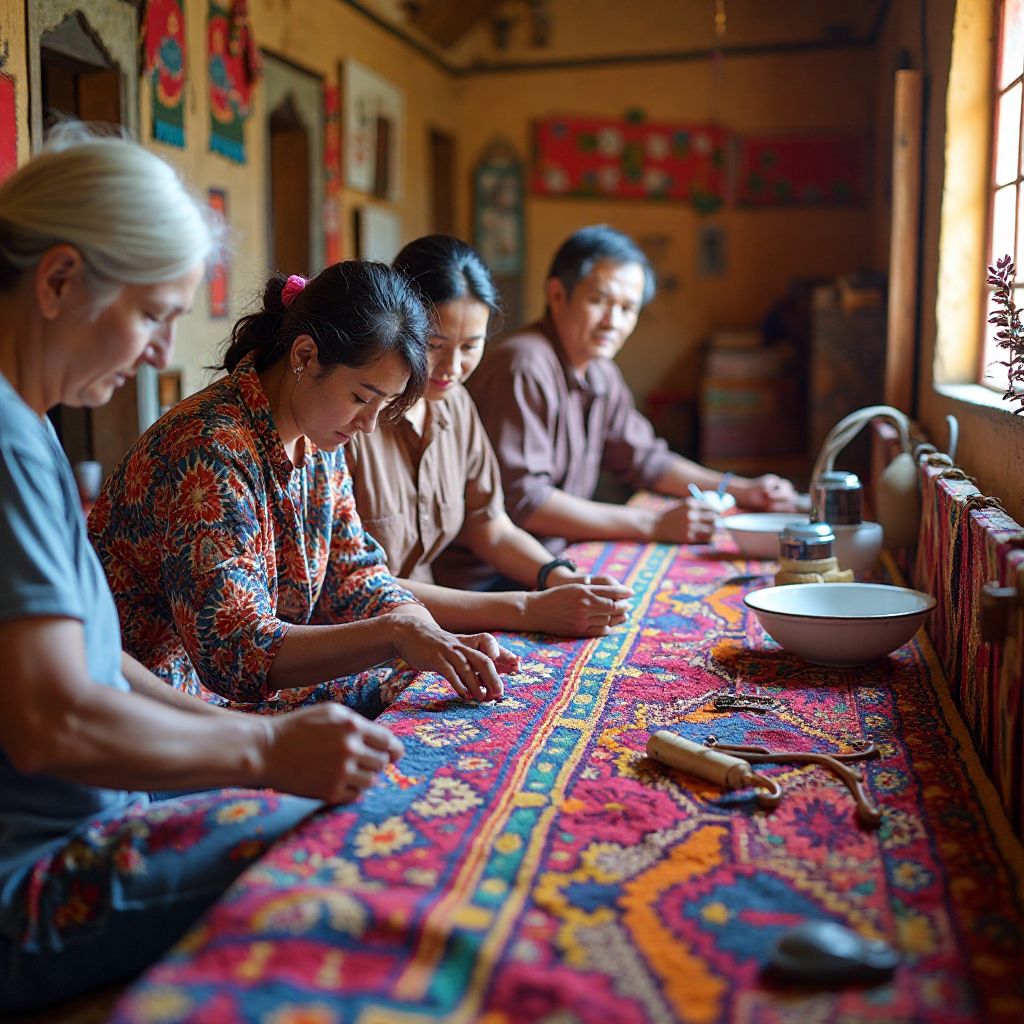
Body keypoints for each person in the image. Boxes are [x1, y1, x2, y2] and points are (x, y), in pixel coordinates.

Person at [0, 128, 405, 1013]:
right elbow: (47, 722)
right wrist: (259, 751)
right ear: (60, 281)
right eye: (151, 314)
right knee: (351, 847)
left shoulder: (27, 427)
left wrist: (245, 751)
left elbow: (100, 668)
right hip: (28, 879)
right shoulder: (14, 442)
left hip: (97, 807)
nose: (158, 352)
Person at [89, 260, 519, 717]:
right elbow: (236, 651)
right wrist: (397, 635)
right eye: (361, 398)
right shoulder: (209, 448)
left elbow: (352, 573)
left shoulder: (318, 439)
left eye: (385, 405)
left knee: (425, 687)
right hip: (156, 708)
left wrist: (426, 633)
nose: (369, 425)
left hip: (226, 696)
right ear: (305, 356)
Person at [458, 224, 799, 586]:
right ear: (557, 295)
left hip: (554, 554)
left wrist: (742, 490)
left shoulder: (601, 372)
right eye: (599, 301)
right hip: (497, 573)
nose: (613, 322)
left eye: (627, 309)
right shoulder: (524, 365)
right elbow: (527, 502)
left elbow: (648, 460)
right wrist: (653, 523)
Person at [346, 235, 633, 637]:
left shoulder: (455, 404)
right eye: (434, 345)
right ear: (399, 325)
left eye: (470, 346)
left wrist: (559, 576)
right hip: (374, 631)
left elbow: (490, 525)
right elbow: (352, 584)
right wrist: (529, 608)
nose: (451, 367)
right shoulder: (352, 418)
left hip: (432, 622)